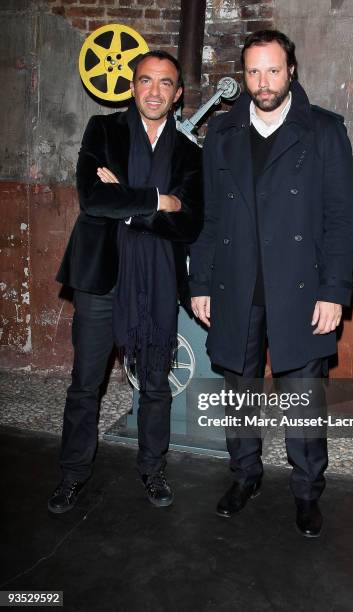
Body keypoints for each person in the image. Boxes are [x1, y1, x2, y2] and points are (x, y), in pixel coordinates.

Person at [190, 30, 353, 537]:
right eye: (254, 71)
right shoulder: (221, 133)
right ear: (244, 76)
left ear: (292, 72)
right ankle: (245, 476)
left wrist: (334, 291)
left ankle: (307, 492)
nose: (263, 82)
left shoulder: (324, 130)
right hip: (237, 288)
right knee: (238, 394)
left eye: (273, 70)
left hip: (302, 292)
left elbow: (339, 220)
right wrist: (200, 282)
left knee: (303, 400)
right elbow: (210, 217)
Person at [48, 50, 203, 514]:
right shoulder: (104, 130)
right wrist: (160, 200)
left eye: (165, 84)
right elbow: (93, 198)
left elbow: (190, 223)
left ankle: (153, 469)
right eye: (145, 81)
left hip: (156, 281)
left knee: (156, 383)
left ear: (177, 94)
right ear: (133, 86)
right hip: (101, 277)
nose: (154, 91)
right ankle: (73, 474)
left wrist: (130, 204)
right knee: (85, 383)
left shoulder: (191, 151)